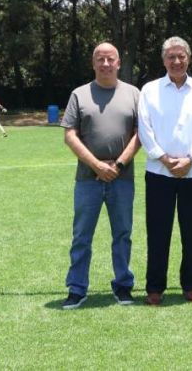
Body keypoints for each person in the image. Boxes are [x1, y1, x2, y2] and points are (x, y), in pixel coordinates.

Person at [60, 43, 141, 309]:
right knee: (81, 236)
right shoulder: (79, 94)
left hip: (122, 179)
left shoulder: (133, 94)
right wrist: (97, 165)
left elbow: (140, 134)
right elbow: (69, 135)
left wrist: (118, 164)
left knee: (123, 234)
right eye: (100, 59)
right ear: (93, 63)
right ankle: (77, 288)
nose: (105, 64)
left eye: (110, 59)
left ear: (118, 62)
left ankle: (123, 285)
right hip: (87, 180)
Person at [138, 36, 192, 306]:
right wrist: (165, 159)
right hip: (159, 173)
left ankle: (191, 284)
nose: (177, 61)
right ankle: (155, 287)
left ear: (189, 58)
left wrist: (191, 160)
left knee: (191, 232)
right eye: (171, 56)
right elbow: (144, 129)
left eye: (181, 56)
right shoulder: (149, 90)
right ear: (163, 60)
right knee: (158, 232)